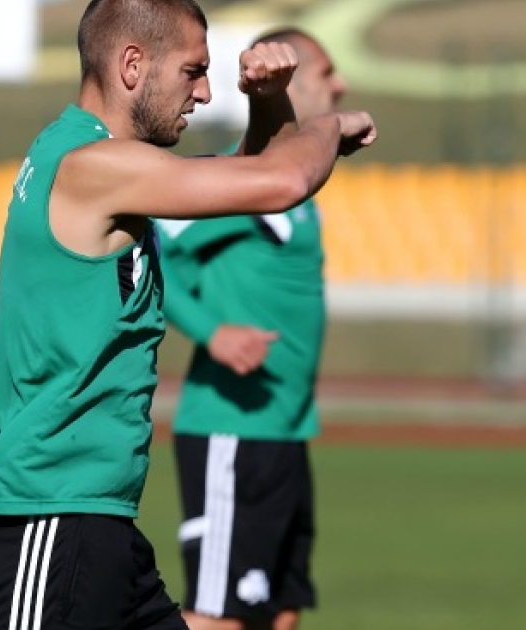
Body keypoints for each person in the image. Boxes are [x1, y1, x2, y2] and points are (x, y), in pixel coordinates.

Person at [0, 1, 375, 628]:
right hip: (48, 519)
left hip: (97, 522)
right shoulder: (92, 167)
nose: (204, 93)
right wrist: (329, 125)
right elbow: (283, 182)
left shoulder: (98, 159)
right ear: (132, 65)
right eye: (192, 71)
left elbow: (250, 174)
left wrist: (268, 103)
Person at [155, 28, 348, 630]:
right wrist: (211, 332)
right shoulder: (243, 180)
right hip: (232, 431)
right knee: (219, 617)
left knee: (280, 612)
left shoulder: (297, 186)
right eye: (326, 73)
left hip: (286, 428)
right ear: (291, 83)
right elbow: (148, 249)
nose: (340, 84)